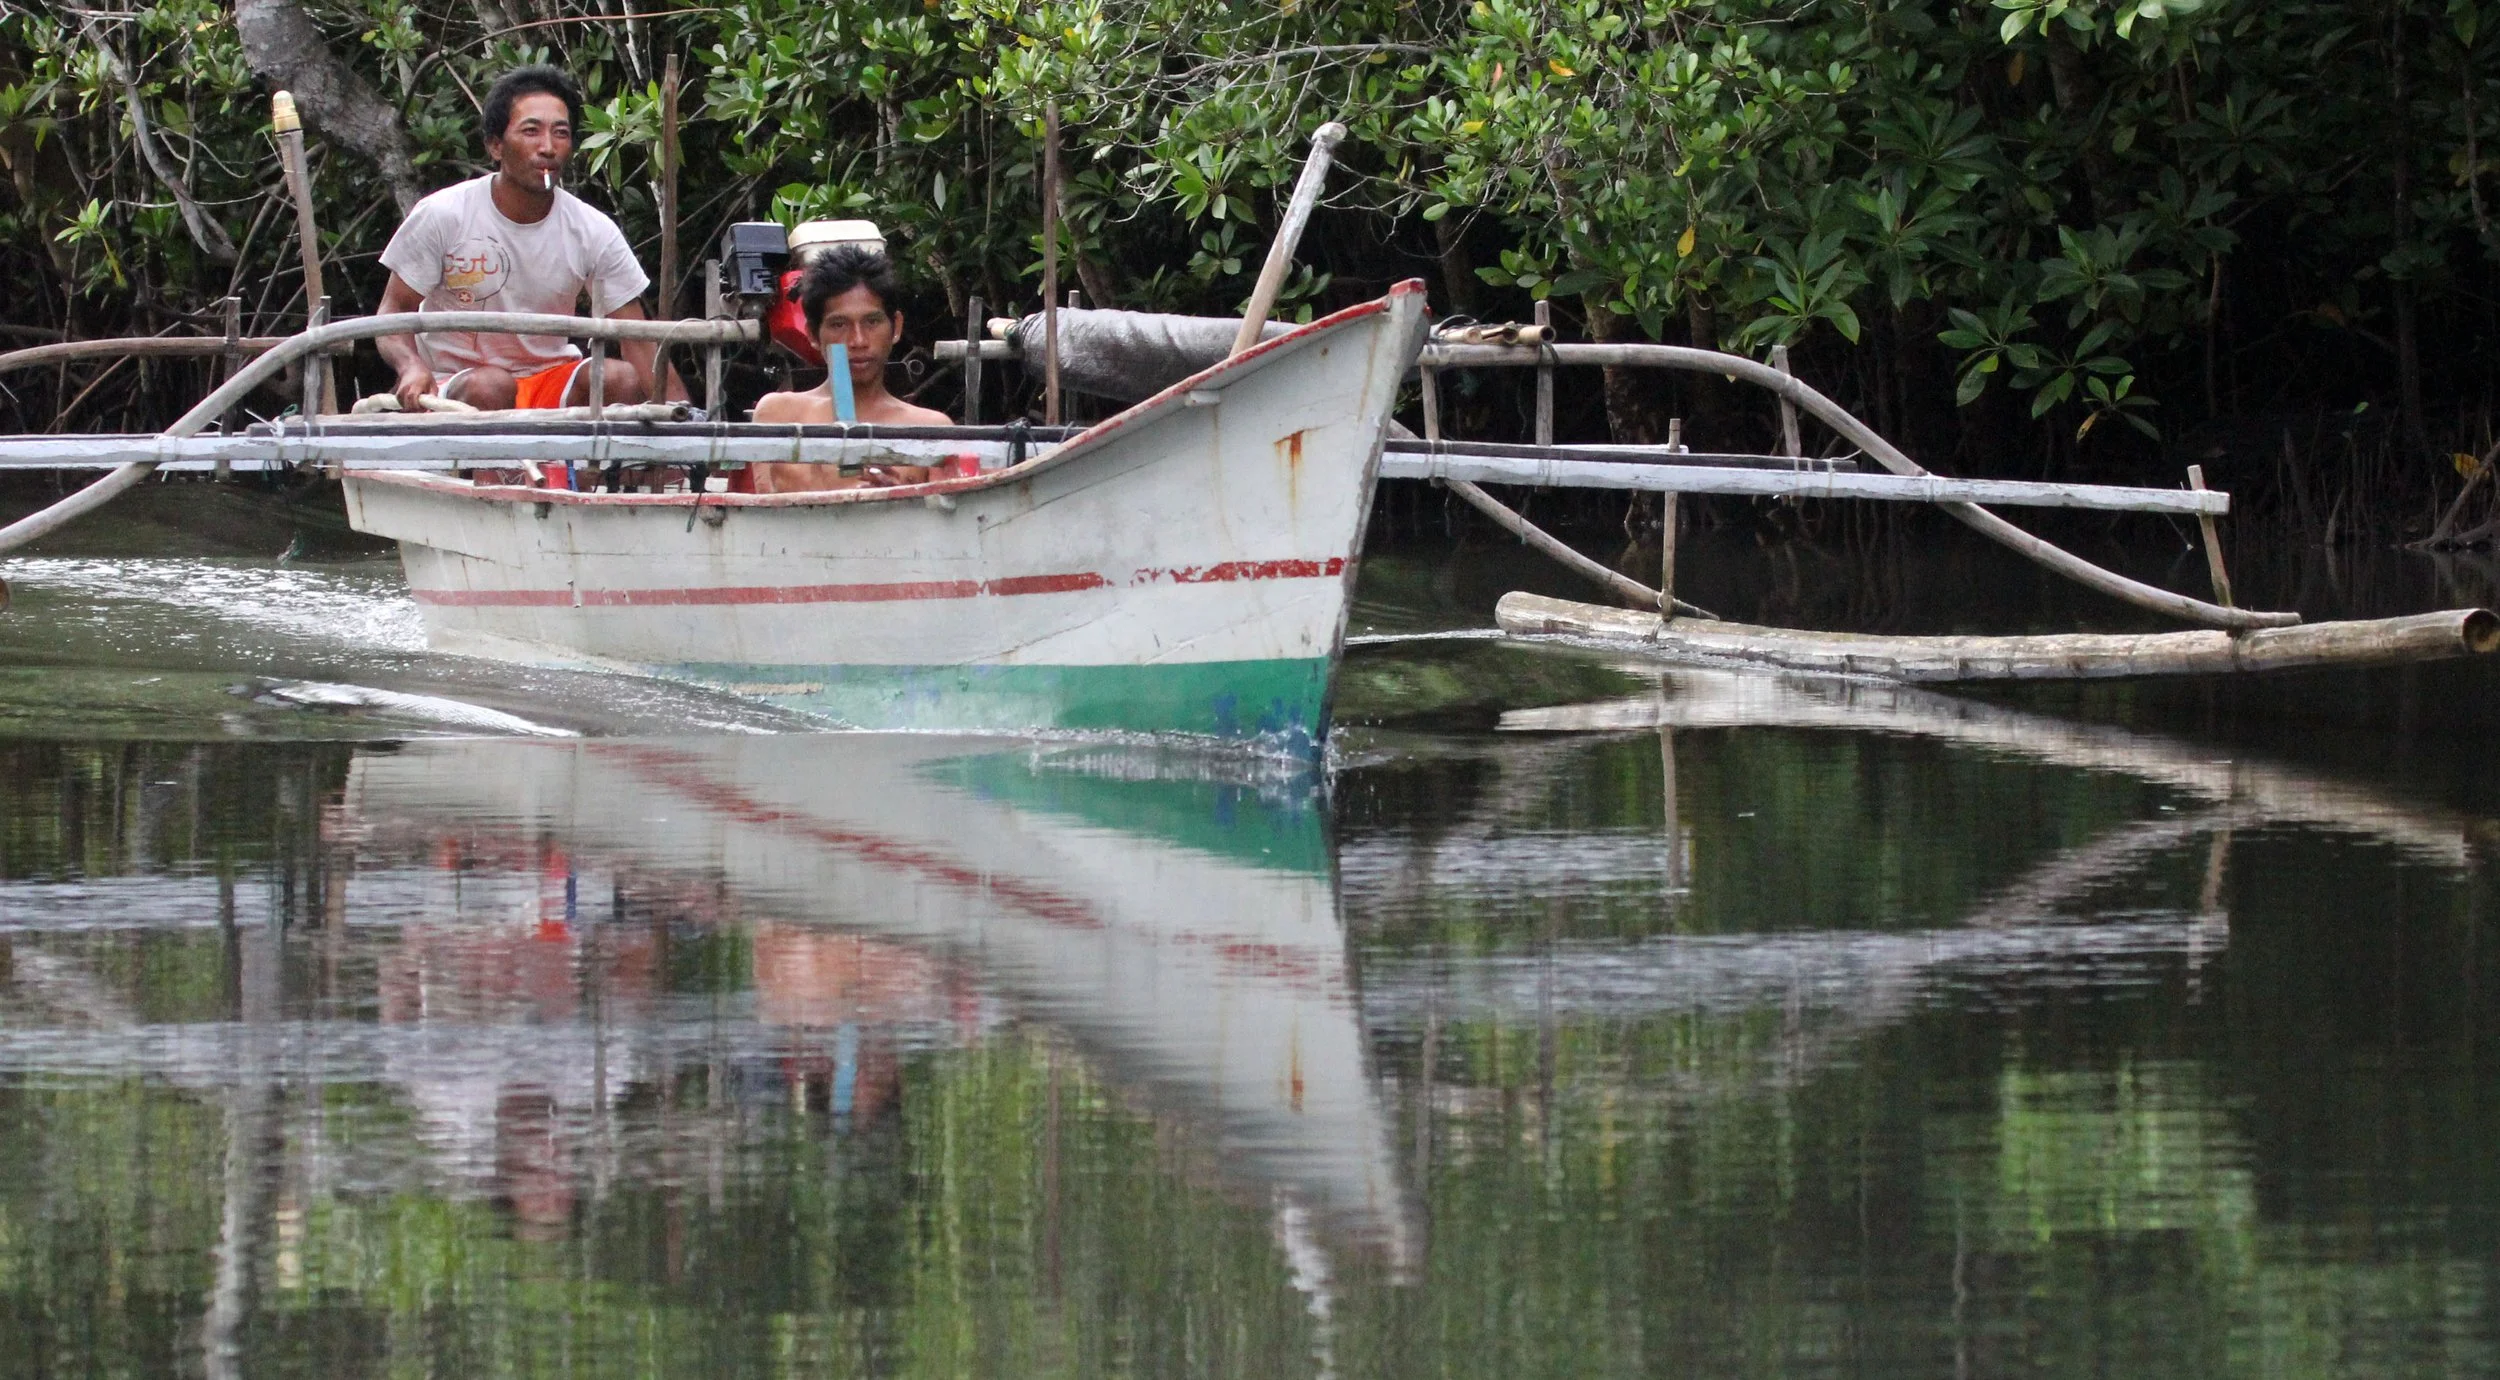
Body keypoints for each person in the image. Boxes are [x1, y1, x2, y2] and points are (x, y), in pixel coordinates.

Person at [375, 67, 672, 411]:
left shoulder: (592, 228)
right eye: (531, 131)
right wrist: (411, 367)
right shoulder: (444, 213)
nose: (547, 147)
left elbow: (637, 337)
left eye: (560, 133)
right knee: (492, 386)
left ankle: (600, 465)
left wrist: (687, 420)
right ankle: (496, 466)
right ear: (496, 146)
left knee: (620, 378)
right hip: (456, 384)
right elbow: (394, 310)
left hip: (550, 381)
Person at [747, 245, 952, 492]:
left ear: (895, 327)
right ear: (813, 334)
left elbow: (945, 522)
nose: (858, 341)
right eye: (838, 324)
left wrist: (900, 498)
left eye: (872, 321)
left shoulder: (929, 429)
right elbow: (760, 516)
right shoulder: (778, 415)